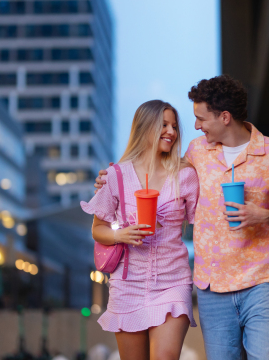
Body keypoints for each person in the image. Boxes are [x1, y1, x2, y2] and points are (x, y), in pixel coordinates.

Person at [95, 75, 269, 360]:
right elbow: (161, 168)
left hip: (260, 280)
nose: (193, 126)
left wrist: (264, 215)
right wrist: (110, 179)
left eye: (200, 118)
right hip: (212, 285)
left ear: (224, 117)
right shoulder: (198, 152)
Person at [81, 100, 199, 360]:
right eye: (164, 125)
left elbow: (202, 223)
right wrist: (119, 235)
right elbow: (98, 229)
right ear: (145, 127)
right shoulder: (116, 175)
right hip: (128, 284)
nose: (171, 132)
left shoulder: (185, 175)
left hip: (173, 280)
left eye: (175, 126)